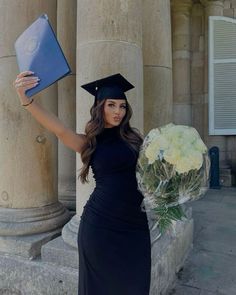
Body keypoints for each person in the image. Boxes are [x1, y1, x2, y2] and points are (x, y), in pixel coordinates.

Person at [14, 72, 151, 295]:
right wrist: (26, 100)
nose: (118, 111)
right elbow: (59, 129)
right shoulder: (89, 142)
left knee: (136, 284)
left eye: (122, 106)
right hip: (100, 226)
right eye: (112, 105)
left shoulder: (134, 137)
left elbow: (151, 173)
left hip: (135, 224)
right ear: (100, 107)